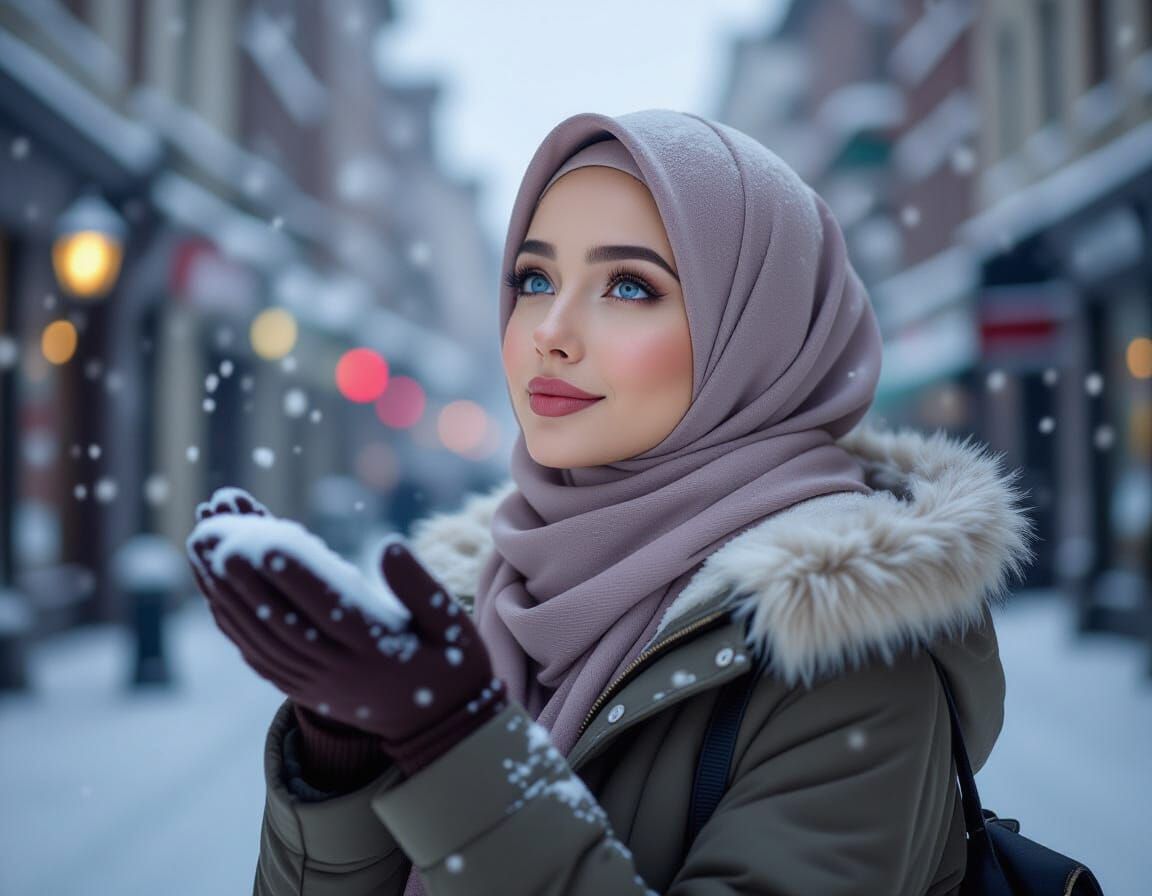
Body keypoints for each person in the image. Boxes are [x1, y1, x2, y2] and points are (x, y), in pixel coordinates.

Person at [186, 109, 1036, 895]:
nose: (550, 329)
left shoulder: (847, 645)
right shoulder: (485, 594)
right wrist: (342, 756)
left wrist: (456, 751)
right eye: (532, 277)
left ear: (758, 335)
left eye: (629, 285)